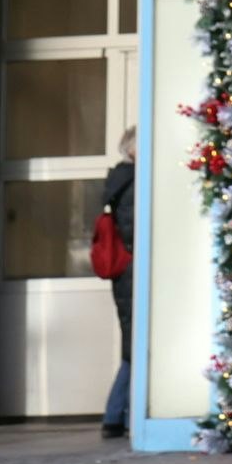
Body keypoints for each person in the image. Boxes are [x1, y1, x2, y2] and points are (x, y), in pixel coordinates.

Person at [95, 154, 136, 437]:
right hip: (133, 273)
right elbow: (138, 231)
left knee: (132, 346)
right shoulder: (133, 182)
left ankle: (116, 414)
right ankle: (115, 415)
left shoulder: (120, 180)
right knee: (134, 348)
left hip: (125, 274)